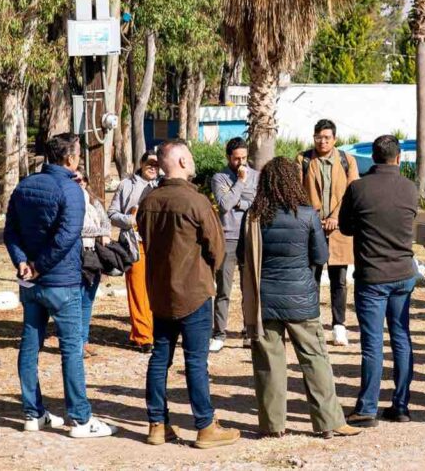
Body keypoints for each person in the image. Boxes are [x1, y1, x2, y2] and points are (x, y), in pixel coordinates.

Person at [239, 157, 362, 439]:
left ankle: (272, 426)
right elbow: (320, 256)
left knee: (269, 365)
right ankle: (329, 422)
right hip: (301, 300)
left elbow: (242, 257)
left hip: (264, 301)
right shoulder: (307, 215)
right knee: (315, 359)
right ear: (294, 183)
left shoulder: (253, 217)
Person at [5, 132, 116, 437]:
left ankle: (33, 413)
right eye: (78, 154)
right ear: (70, 158)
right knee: (71, 349)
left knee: (30, 345)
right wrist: (38, 266)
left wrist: (22, 263)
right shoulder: (70, 189)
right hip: (62, 281)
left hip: (30, 281)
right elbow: (68, 236)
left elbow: (10, 231)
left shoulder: (24, 185)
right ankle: (80, 419)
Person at [137, 139, 240, 449]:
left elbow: (145, 237)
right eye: (190, 157)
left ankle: (157, 424)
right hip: (193, 293)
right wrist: (205, 271)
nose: (194, 161)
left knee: (159, 358)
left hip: (160, 293)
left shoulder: (149, 200)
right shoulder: (195, 202)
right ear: (180, 162)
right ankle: (205, 426)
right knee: (196, 362)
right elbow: (217, 250)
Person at [339, 135, 419, 427]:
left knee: (372, 344)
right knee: (402, 339)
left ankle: (367, 408)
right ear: (398, 158)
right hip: (403, 272)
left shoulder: (358, 188)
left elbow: (346, 227)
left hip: (372, 274)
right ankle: (401, 405)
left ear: (372, 157)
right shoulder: (410, 188)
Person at [301, 119, 360, 346]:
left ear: (335, 139)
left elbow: (353, 192)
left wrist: (336, 216)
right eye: (318, 137)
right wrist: (314, 218)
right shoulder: (304, 160)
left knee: (339, 279)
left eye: (327, 137)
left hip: (340, 228)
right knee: (311, 277)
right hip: (312, 228)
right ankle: (312, 322)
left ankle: (339, 325)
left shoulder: (347, 160)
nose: (322, 141)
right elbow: (297, 192)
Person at [210, 137, 259, 352]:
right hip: (227, 238)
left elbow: (258, 202)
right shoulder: (219, 177)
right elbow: (225, 204)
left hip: (249, 237)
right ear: (229, 157)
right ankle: (219, 333)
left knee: (250, 288)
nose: (242, 163)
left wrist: (240, 200)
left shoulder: (256, 176)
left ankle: (249, 331)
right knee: (223, 289)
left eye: (244, 158)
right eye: (237, 159)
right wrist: (239, 184)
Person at [108, 151, 160, 352]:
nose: (153, 167)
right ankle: (143, 337)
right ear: (141, 163)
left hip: (158, 245)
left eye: (157, 164)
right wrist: (130, 220)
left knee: (156, 291)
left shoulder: (163, 185)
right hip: (135, 244)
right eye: (150, 163)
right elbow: (112, 214)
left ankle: (150, 331)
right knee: (138, 291)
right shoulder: (126, 185)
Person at [77, 172, 110, 358]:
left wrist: (101, 231)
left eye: (81, 179)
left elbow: (106, 222)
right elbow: (77, 228)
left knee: (88, 300)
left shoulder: (93, 202)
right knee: (78, 299)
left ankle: (85, 340)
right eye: (74, 180)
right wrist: (100, 231)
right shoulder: (70, 202)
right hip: (78, 254)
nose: (79, 183)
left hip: (94, 255)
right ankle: (77, 343)